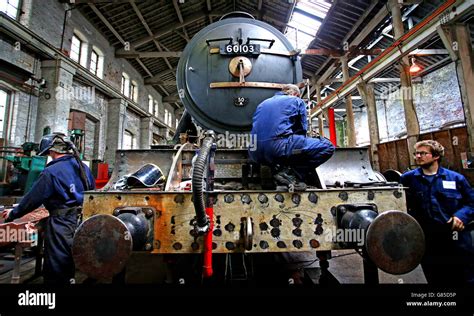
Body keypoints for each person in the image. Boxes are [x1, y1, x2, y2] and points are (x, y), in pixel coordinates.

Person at [1, 133, 95, 284]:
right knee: (70, 258)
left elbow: (32, 199)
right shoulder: (82, 167)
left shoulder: (51, 171)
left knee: (57, 265)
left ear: (52, 151)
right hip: (81, 219)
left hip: (61, 223)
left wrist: (13, 213)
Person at [400, 140, 474, 285]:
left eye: (423, 153)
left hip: (456, 239)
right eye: (416, 153)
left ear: (435, 156)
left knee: (465, 279)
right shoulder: (408, 179)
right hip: (428, 241)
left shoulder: (456, 178)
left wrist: (460, 216)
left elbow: (471, 203)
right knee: (436, 279)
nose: (418, 156)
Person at [249, 84, 335, 188]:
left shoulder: (262, 104)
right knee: (327, 146)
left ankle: (276, 171)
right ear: (295, 94)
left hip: (254, 152)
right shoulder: (296, 101)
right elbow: (301, 129)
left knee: (287, 147)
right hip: (277, 148)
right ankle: (292, 174)